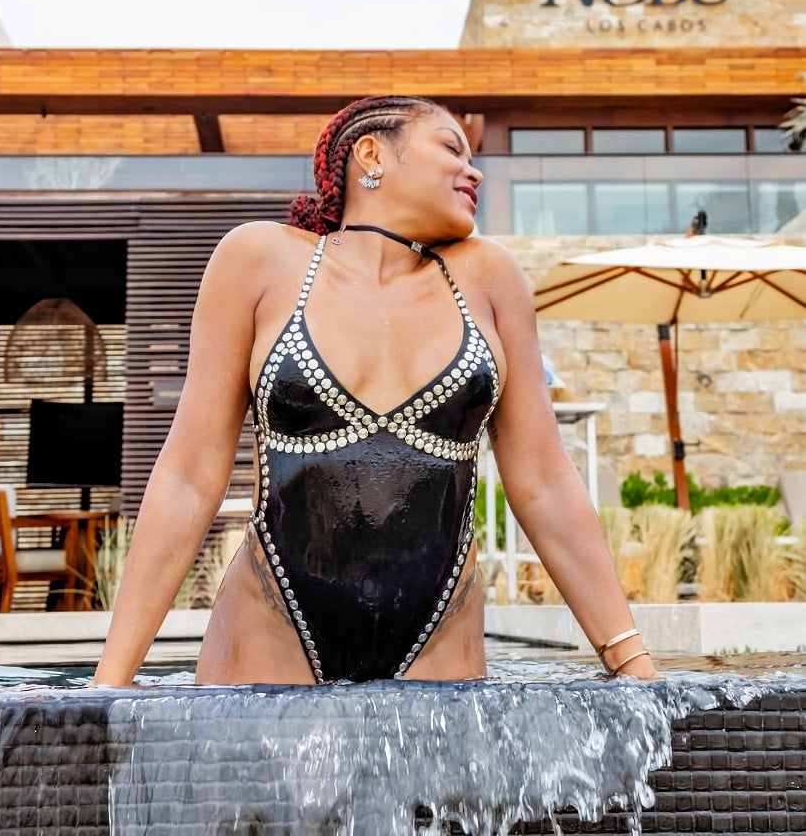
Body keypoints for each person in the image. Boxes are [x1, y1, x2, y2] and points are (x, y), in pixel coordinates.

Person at [93, 95, 659, 686]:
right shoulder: (259, 260)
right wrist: (109, 684)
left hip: (438, 634)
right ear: (371, 154)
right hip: (273, 624)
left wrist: (633, 665)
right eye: (451, 148)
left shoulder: (489, 277)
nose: (474, 173)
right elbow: (189, 475)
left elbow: (544, 481)